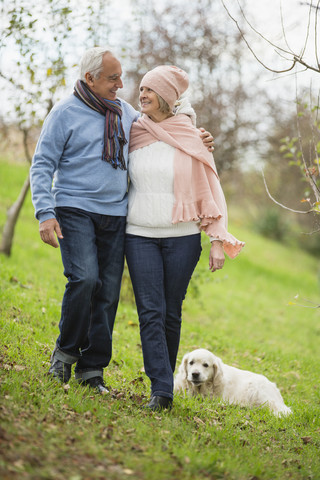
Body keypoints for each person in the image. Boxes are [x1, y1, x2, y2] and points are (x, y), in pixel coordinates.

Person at [30, 48, 214, 394]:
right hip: (74, 208)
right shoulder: (65, 113)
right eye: (113, 78)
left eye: (121, 76)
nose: (121, 84)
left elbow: (167, 121)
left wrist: (197, 134)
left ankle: (91, 368)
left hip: (116, 214)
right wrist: (45, 212)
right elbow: (42, 164)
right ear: (91, 79)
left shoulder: (125, 113)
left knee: (108, 292)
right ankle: (65, 354)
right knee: (85, 279)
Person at [125, 65, 245, 410]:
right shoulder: (134, 131)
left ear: (167, 97)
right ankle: (162, 390)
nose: (142, 94)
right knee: (150, 311)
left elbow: (211, 189)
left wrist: (217, 240)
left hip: (183, 237)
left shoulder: (193, 136)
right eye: (141, 89)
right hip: (139, 234)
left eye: (149, 90)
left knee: (170, 311)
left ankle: (165, 384)